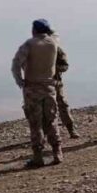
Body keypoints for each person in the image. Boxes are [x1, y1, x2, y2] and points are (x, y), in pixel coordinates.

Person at [11, 19, 64, 167]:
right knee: (52, 120)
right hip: (49, 87)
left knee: (36, 124)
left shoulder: (29, 44)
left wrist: (20, 81)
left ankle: (38, 157)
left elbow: (16, 64)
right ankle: (57, 152)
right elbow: (55, 34)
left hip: (32, 88)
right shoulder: (53, 43)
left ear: (34, 30)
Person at [53, 42, 80, 139]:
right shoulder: (33, 48)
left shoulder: (57, 49)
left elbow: (65, 66)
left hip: (54, 83)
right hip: (39, 84)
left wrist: (54, 67)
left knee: (63, 105)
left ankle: (71, 129)